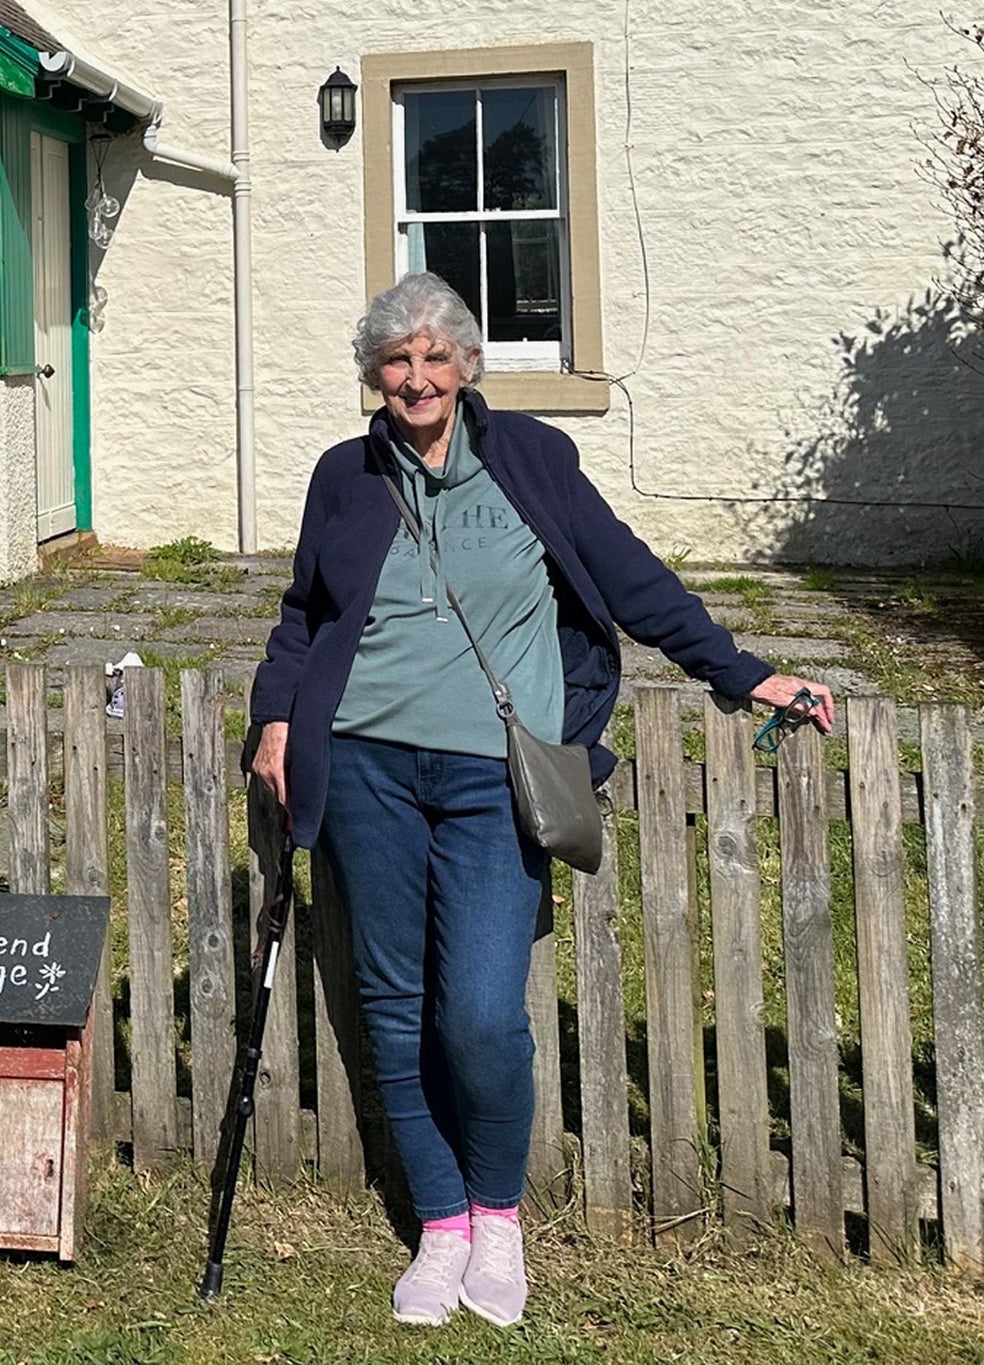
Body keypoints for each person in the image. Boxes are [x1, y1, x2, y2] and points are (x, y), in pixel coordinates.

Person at [248, 272, 833, 1329]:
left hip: (492, 774)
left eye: (435, 355)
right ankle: (440, 1225)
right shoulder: (343, 474)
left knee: (478, 1013)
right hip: (366, 766)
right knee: (393, 1005)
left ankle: (497, 1217)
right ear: (373, 373)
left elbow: (631, 579)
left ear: (468, 364)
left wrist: (742, 672)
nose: (416, 376)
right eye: (396, 359)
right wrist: (276, 717)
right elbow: (304, 614)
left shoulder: (531, 459)